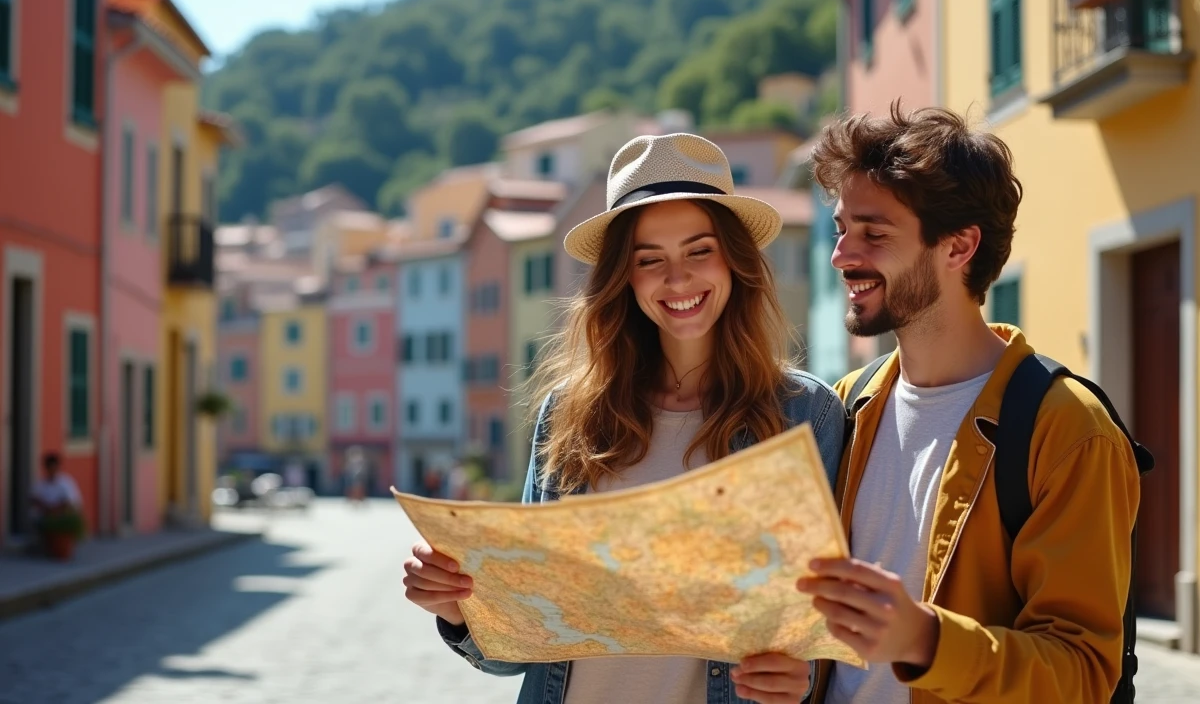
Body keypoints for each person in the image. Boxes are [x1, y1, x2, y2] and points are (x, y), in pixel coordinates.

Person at [402, 132, 849, 704]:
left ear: (735, 260)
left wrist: (803, 677)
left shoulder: (803, 414)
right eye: (649, 260)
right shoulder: (567, 414)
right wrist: (457, 609)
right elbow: (520, 649)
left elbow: (817, 629)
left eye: (699, 250)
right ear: (625, 278)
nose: (678, 279)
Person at [799, 102, 1141, 703]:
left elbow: (1084, 673)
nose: (842, 256)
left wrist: (929, 642)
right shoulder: (848, 405)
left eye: (873, 234)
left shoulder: (1066, 430)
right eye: (840, 229)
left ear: (959, 248)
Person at [30, 452, 83, 546]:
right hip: (46, 514)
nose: (52, 470)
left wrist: (56, 510)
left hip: (62, 515)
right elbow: (34, 498)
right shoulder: (41, 484)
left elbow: (70, 501)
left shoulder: (66, 482)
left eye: (54, 467)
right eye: (50, 468)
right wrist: (46, 508)